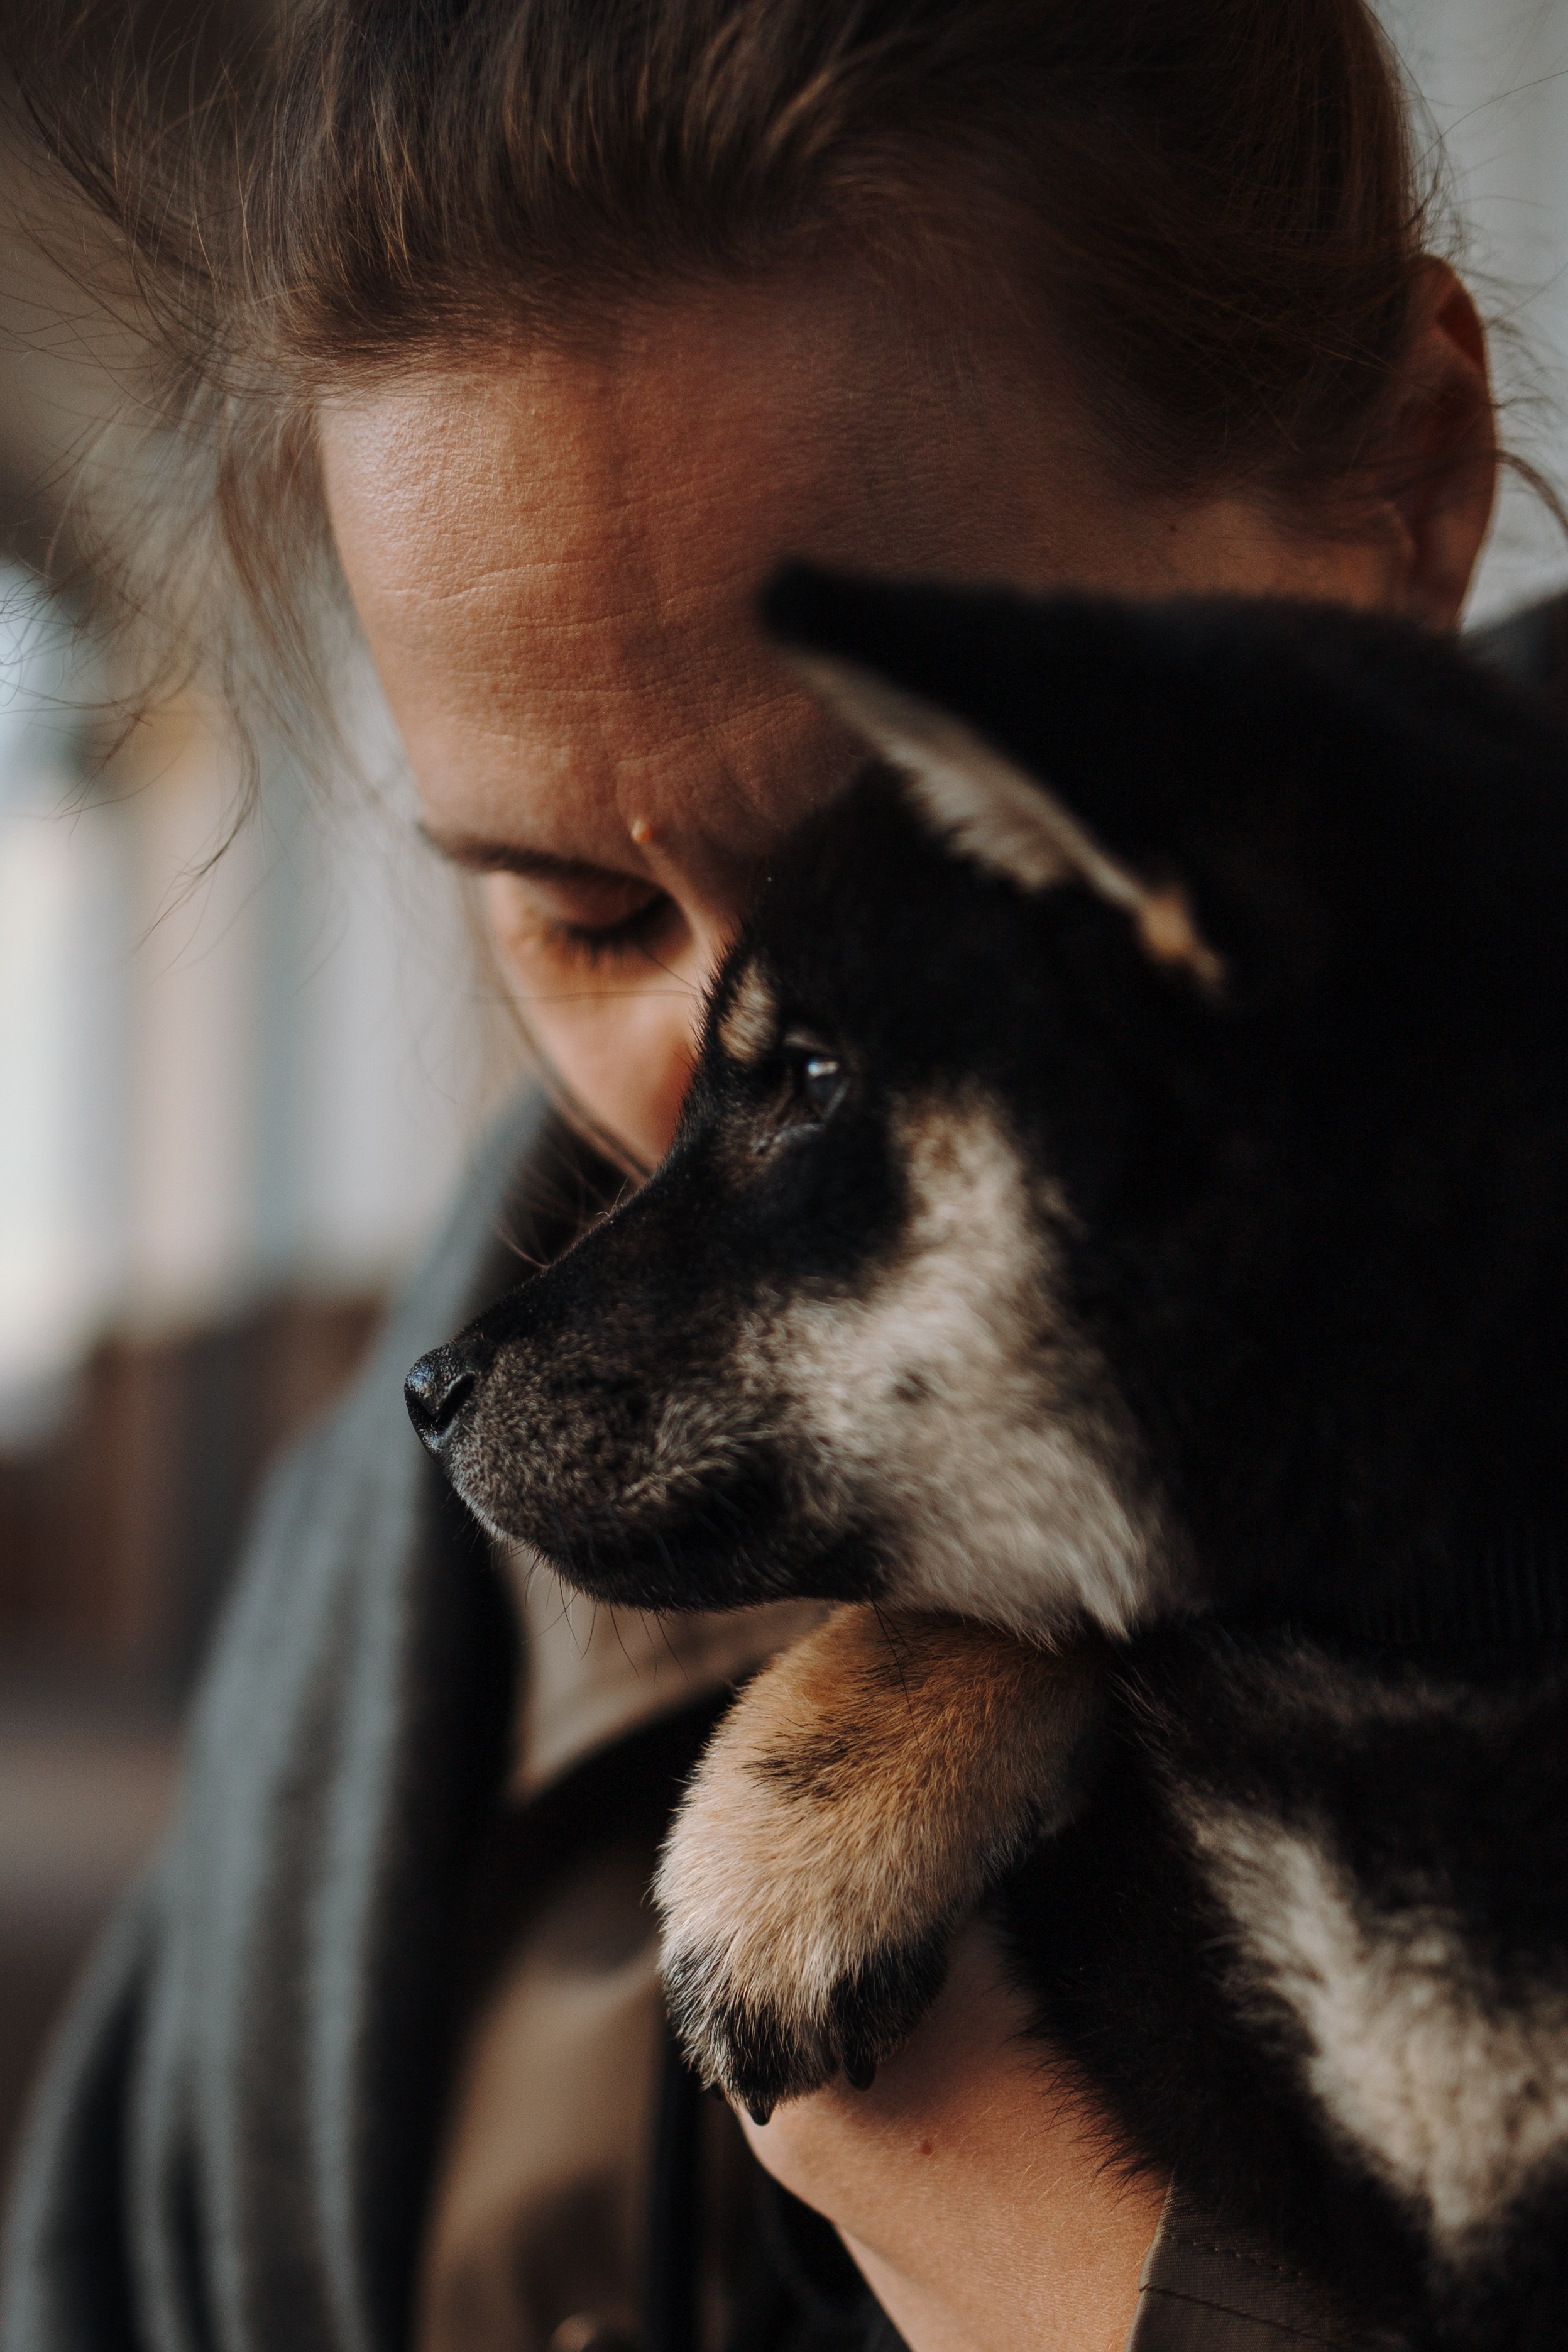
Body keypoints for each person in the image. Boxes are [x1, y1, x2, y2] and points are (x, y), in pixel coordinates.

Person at [0, 3, 1554, 2349]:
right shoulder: (402, 1607)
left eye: (912, 856)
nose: (701, 1065)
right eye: (580, 913)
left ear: (1408, 488)